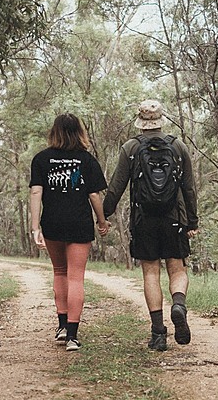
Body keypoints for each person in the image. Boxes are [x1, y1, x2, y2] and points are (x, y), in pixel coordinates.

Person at [102, 99, 198, 352]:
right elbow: (188, 188)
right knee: (177, 270)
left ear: (141, 123)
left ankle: (158, 334)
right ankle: (178, 305)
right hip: (174, 218)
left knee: (151, 273)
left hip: (143, 220)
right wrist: (192, 221)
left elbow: (116, 187)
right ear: (161, 120)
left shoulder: (131, 147)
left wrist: (104, 215)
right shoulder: (178, 147)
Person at [28, 113, 110, 352]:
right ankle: (72, 336)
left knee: (60, 272)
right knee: (76, 276)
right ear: (80, 132)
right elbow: (94, 195)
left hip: (52, 222)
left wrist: (35, 228)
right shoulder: (86, 160)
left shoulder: (41, 159)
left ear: (54, 132)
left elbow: (36, 192)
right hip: (79, 223)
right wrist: (102, 221)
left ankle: (62, 326)